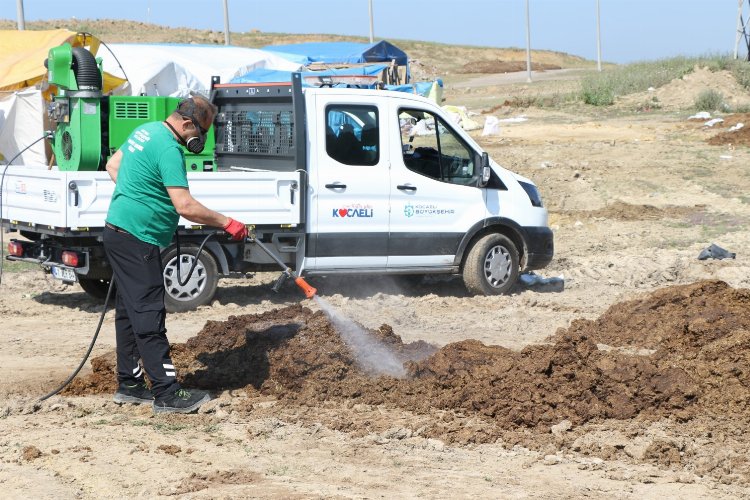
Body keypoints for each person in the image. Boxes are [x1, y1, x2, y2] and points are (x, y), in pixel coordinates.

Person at [103, 95, 248, 414]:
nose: (201, 139)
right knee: (149, 314)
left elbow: (113, 165)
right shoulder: (169, 148)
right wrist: (228, 222)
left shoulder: (147, 130)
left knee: (129, 312)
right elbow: (185, 206)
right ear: (185, 123)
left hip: (117, 231)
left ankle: (130, 384)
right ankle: (167, 393)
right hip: (137, 239)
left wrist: (139, 196)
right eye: (201, 131)